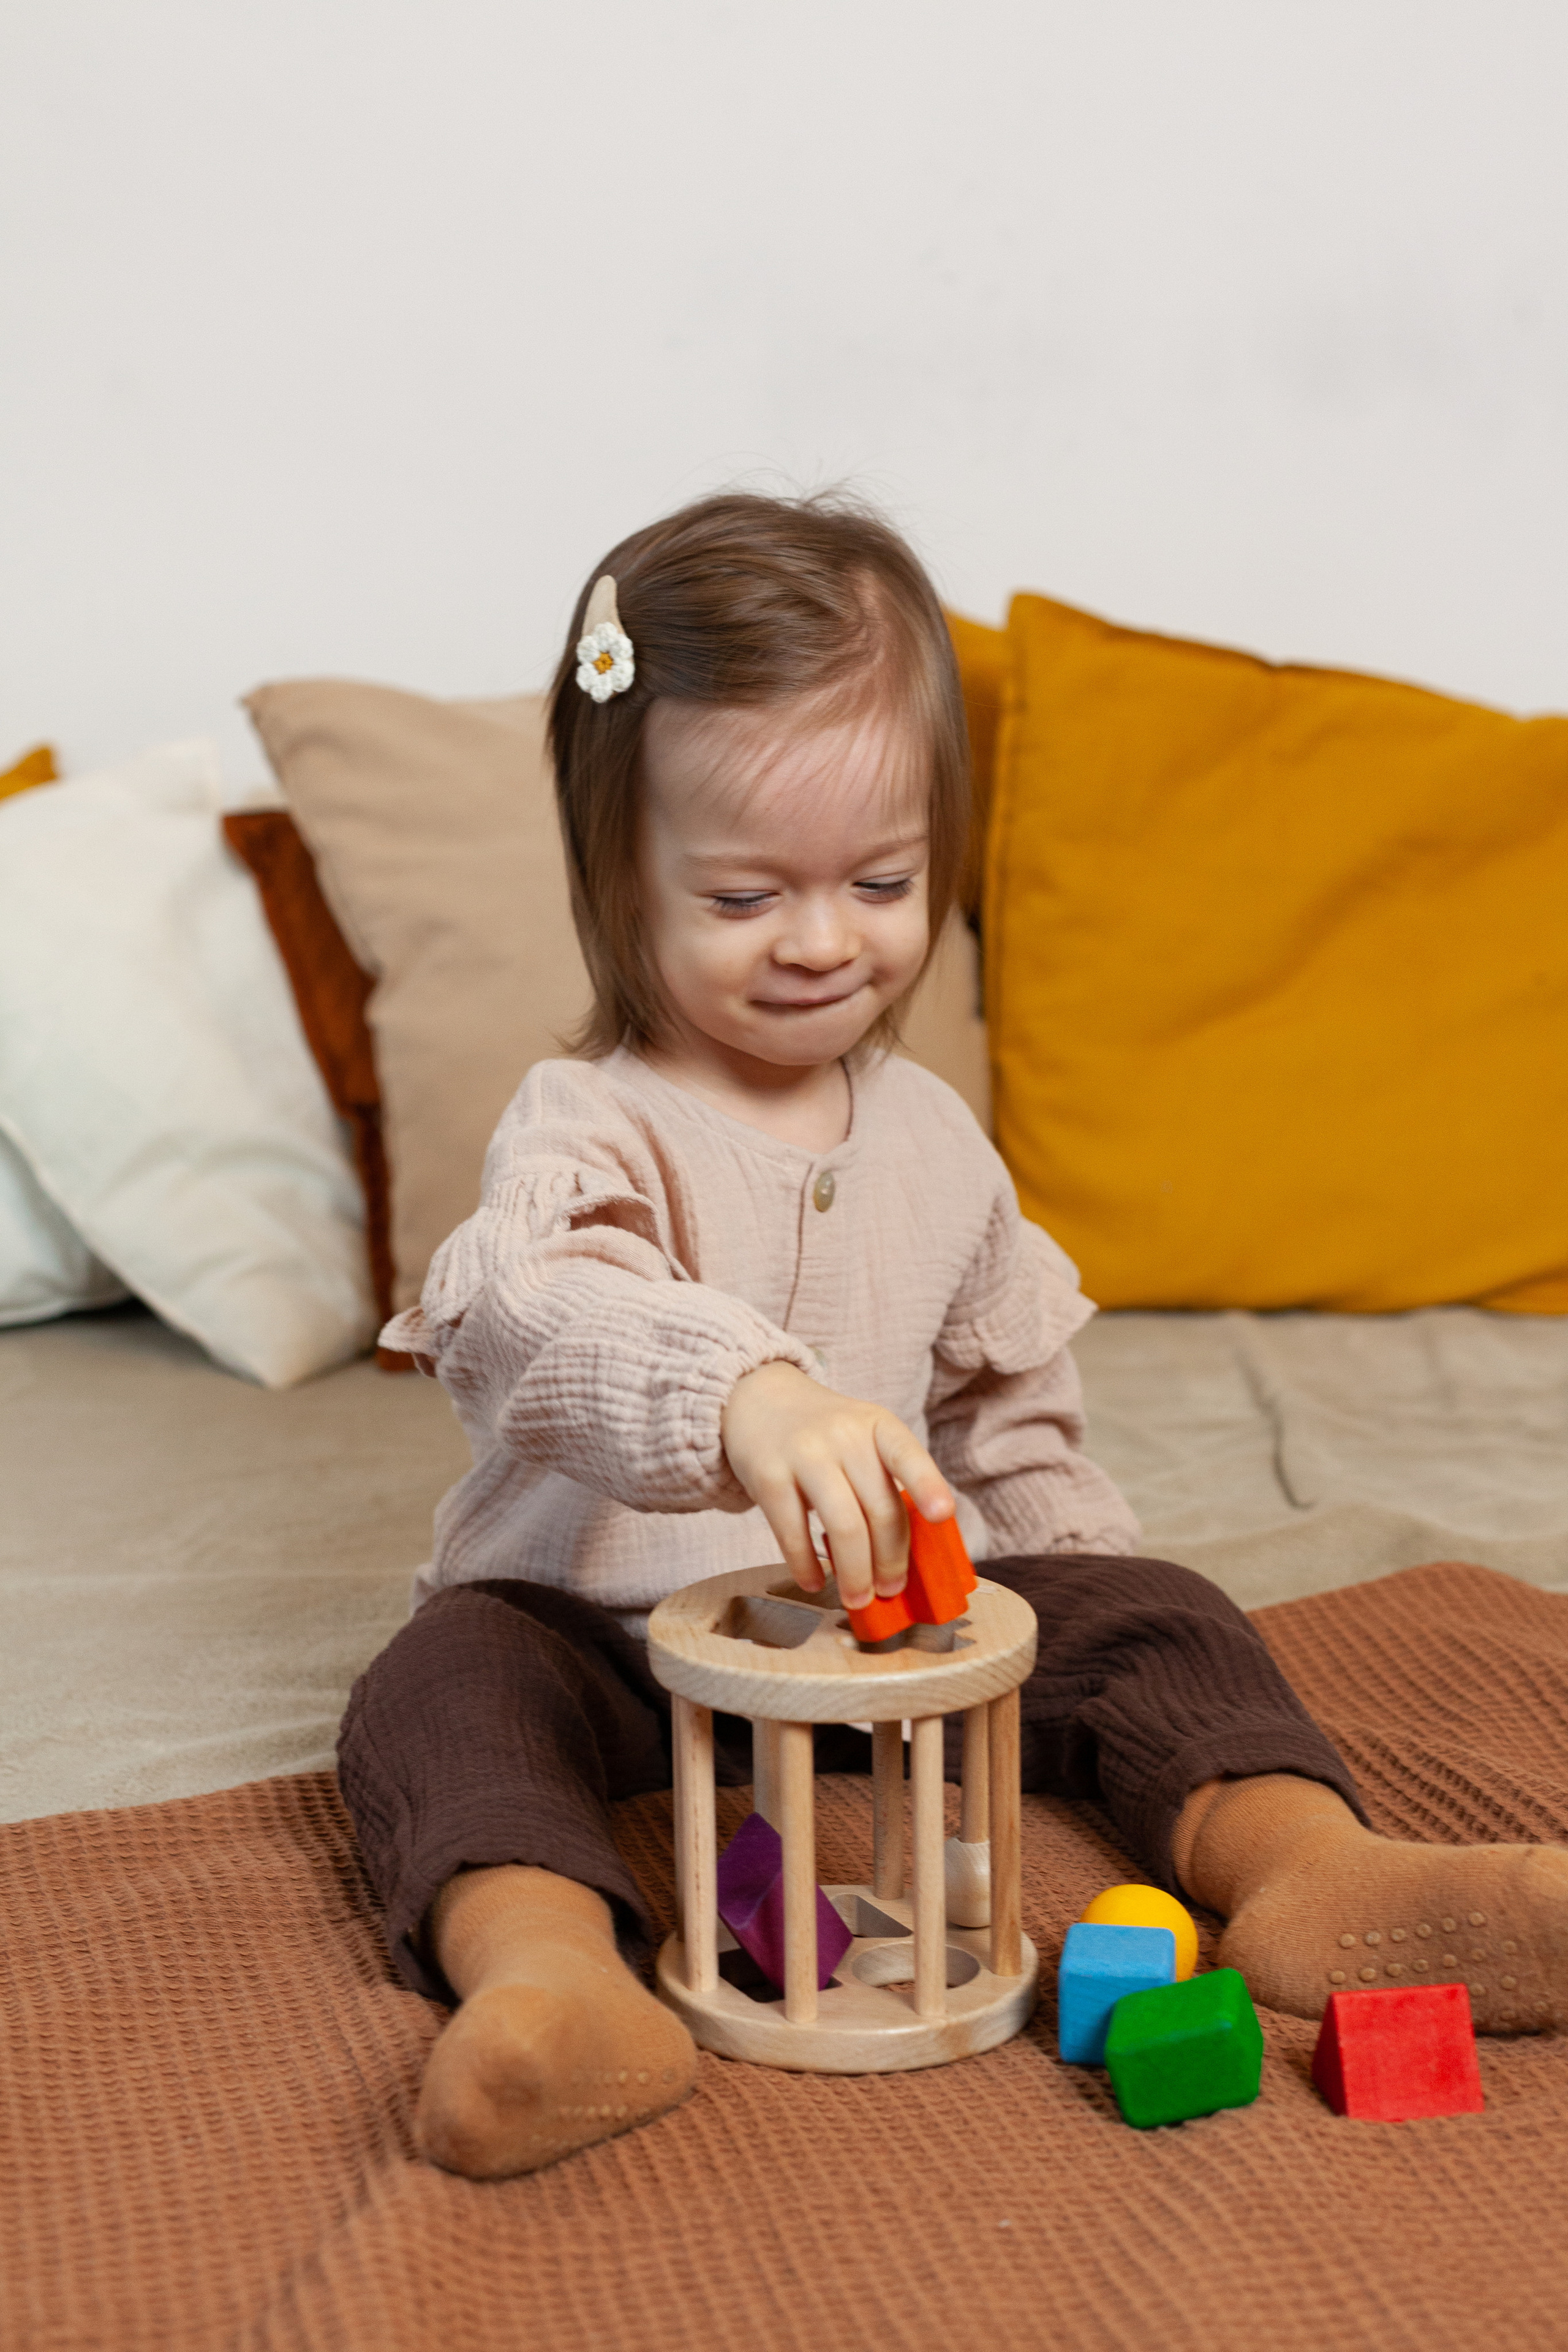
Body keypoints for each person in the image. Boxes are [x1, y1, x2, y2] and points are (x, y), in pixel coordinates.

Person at [339, 491, 1568, 2181]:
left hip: (890, 1654)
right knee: (438, 1688)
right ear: (620, 876)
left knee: (1163, 1614)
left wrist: (1064, 1611)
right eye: (749, 893)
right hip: (611, 1634)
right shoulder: (583, 1127)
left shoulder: (938, 1144)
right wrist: (750, 1397)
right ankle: (553, 1980)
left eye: (884, 880)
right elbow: (542, 1317)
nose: (826, 940)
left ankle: (1315, 1870)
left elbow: (1012, 1417)